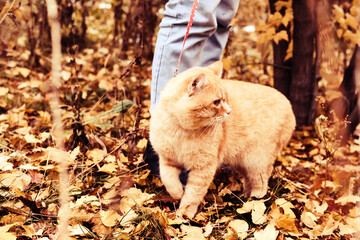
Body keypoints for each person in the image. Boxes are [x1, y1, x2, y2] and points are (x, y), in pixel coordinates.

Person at [145, 0, 240, 183]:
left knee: (222, 17)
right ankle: (164, 141)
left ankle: (200, 139)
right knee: (194, 13)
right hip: (168, 126)